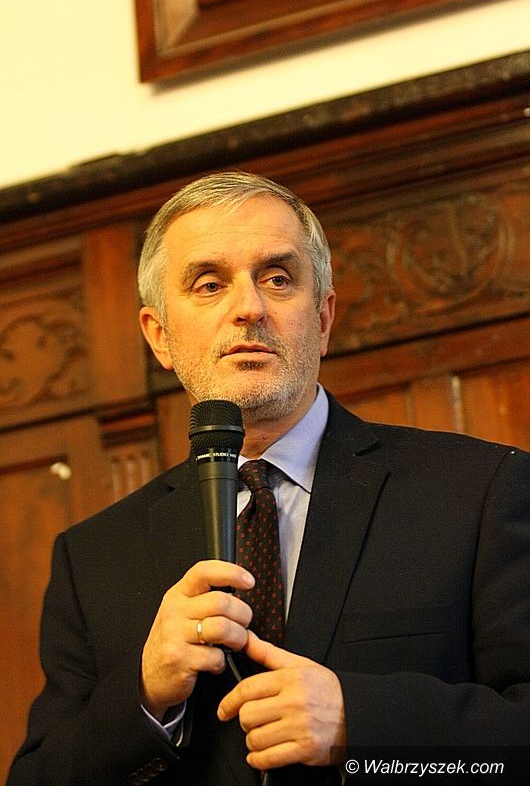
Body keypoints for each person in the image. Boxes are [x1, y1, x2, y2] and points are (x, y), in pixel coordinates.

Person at [8, 172, 530, 786]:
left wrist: (361, 725)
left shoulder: (478, 492)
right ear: (160, 336)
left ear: (323, 318)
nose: (249, 308)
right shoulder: (93, 559)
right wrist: (145, 695)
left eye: (277, 278)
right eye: (209, 284)